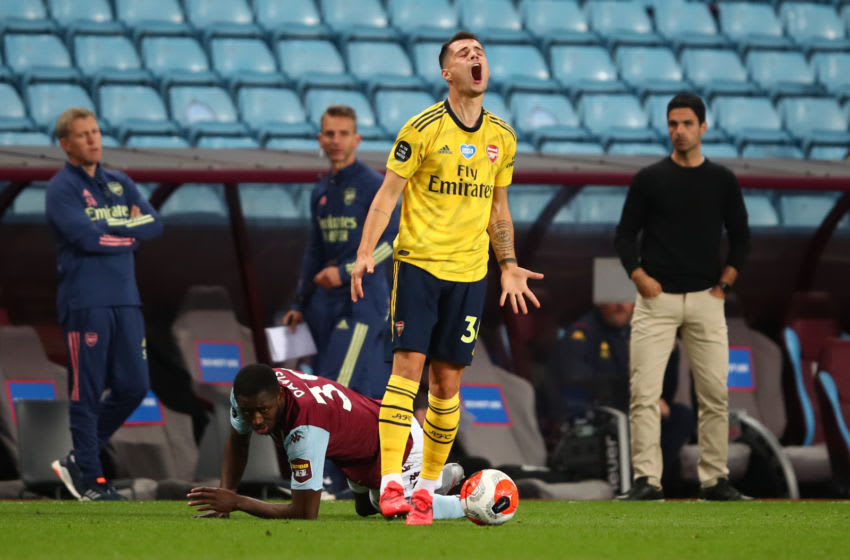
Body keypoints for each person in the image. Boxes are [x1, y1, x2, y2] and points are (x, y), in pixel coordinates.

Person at [350, 31, 543, 525]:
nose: (475, 57)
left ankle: (427, 490)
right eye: (464, 53)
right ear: (447, 73)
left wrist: (507, 263)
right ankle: (392, 480)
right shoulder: (422, 128)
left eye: (480, 51)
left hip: (469, 275)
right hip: (418, 265)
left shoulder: (503, 136)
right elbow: (386, 196)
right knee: (406, 370)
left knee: (447, 384)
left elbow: (500, 209)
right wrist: (365, 252)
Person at [614, 93, 751, 501]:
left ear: (703, 127)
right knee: (644, 393)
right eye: (673, 123)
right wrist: (639, 276)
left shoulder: (722, 179)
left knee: (714, 393)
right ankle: (646, 481)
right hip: (657, 300)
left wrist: (723, 287)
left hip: (706, 299)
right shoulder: (650, 178)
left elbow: (742, 238)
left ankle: (715, 480)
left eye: (687, 123)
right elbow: (623, 235)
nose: (679, 131)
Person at [46, 107, 163, 500]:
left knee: (135, 387)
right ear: (66, 143)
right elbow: (87, 238)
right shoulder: (61, 189)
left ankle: (80, 458)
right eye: (83, 134)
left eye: (95, 132)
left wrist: (115, 228)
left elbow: (156, 224)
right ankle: (91, 479)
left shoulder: (119, 181)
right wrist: (129, 231)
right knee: (86, 390)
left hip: (127, 301)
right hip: (86, 301)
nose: (93, 139)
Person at [186, 364, 466, 520]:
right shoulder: (251, 392)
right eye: (249, 412)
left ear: (280, 398)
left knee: (395, 510)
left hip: (399, 443)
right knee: (364, 508)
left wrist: (236, 502)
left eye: (263, 410)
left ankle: (468, 502)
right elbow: (238, 441)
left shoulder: (304, 428)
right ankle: (437, 479)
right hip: (361, 450)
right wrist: (222, 497)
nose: (256, 419)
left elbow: (304, 512)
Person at [281, 105, 399, 400]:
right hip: (323, 305)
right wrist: (300, 301)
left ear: (356, 140)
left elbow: (394, 241)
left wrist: (346, 271)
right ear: (320, 140)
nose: (336, 140)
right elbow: (315, 250)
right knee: (342, 385)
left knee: (335, 390)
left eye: (343, 134)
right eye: (330, 134)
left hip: (361, 302)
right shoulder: (319, 191)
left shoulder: (373, 185)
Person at [544, 301, 696, 494]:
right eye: (613, 297)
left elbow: (664, 395)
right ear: (600, 300)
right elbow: (579, 387)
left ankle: (653, 486)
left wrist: (670, 355)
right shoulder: (580, 334)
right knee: (628, 421)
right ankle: (641, 487)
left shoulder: (634, 332)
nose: (620, 306)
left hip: (630, 410)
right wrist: (637, 394)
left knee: (680, 416)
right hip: (591, 418)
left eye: (625, 298)